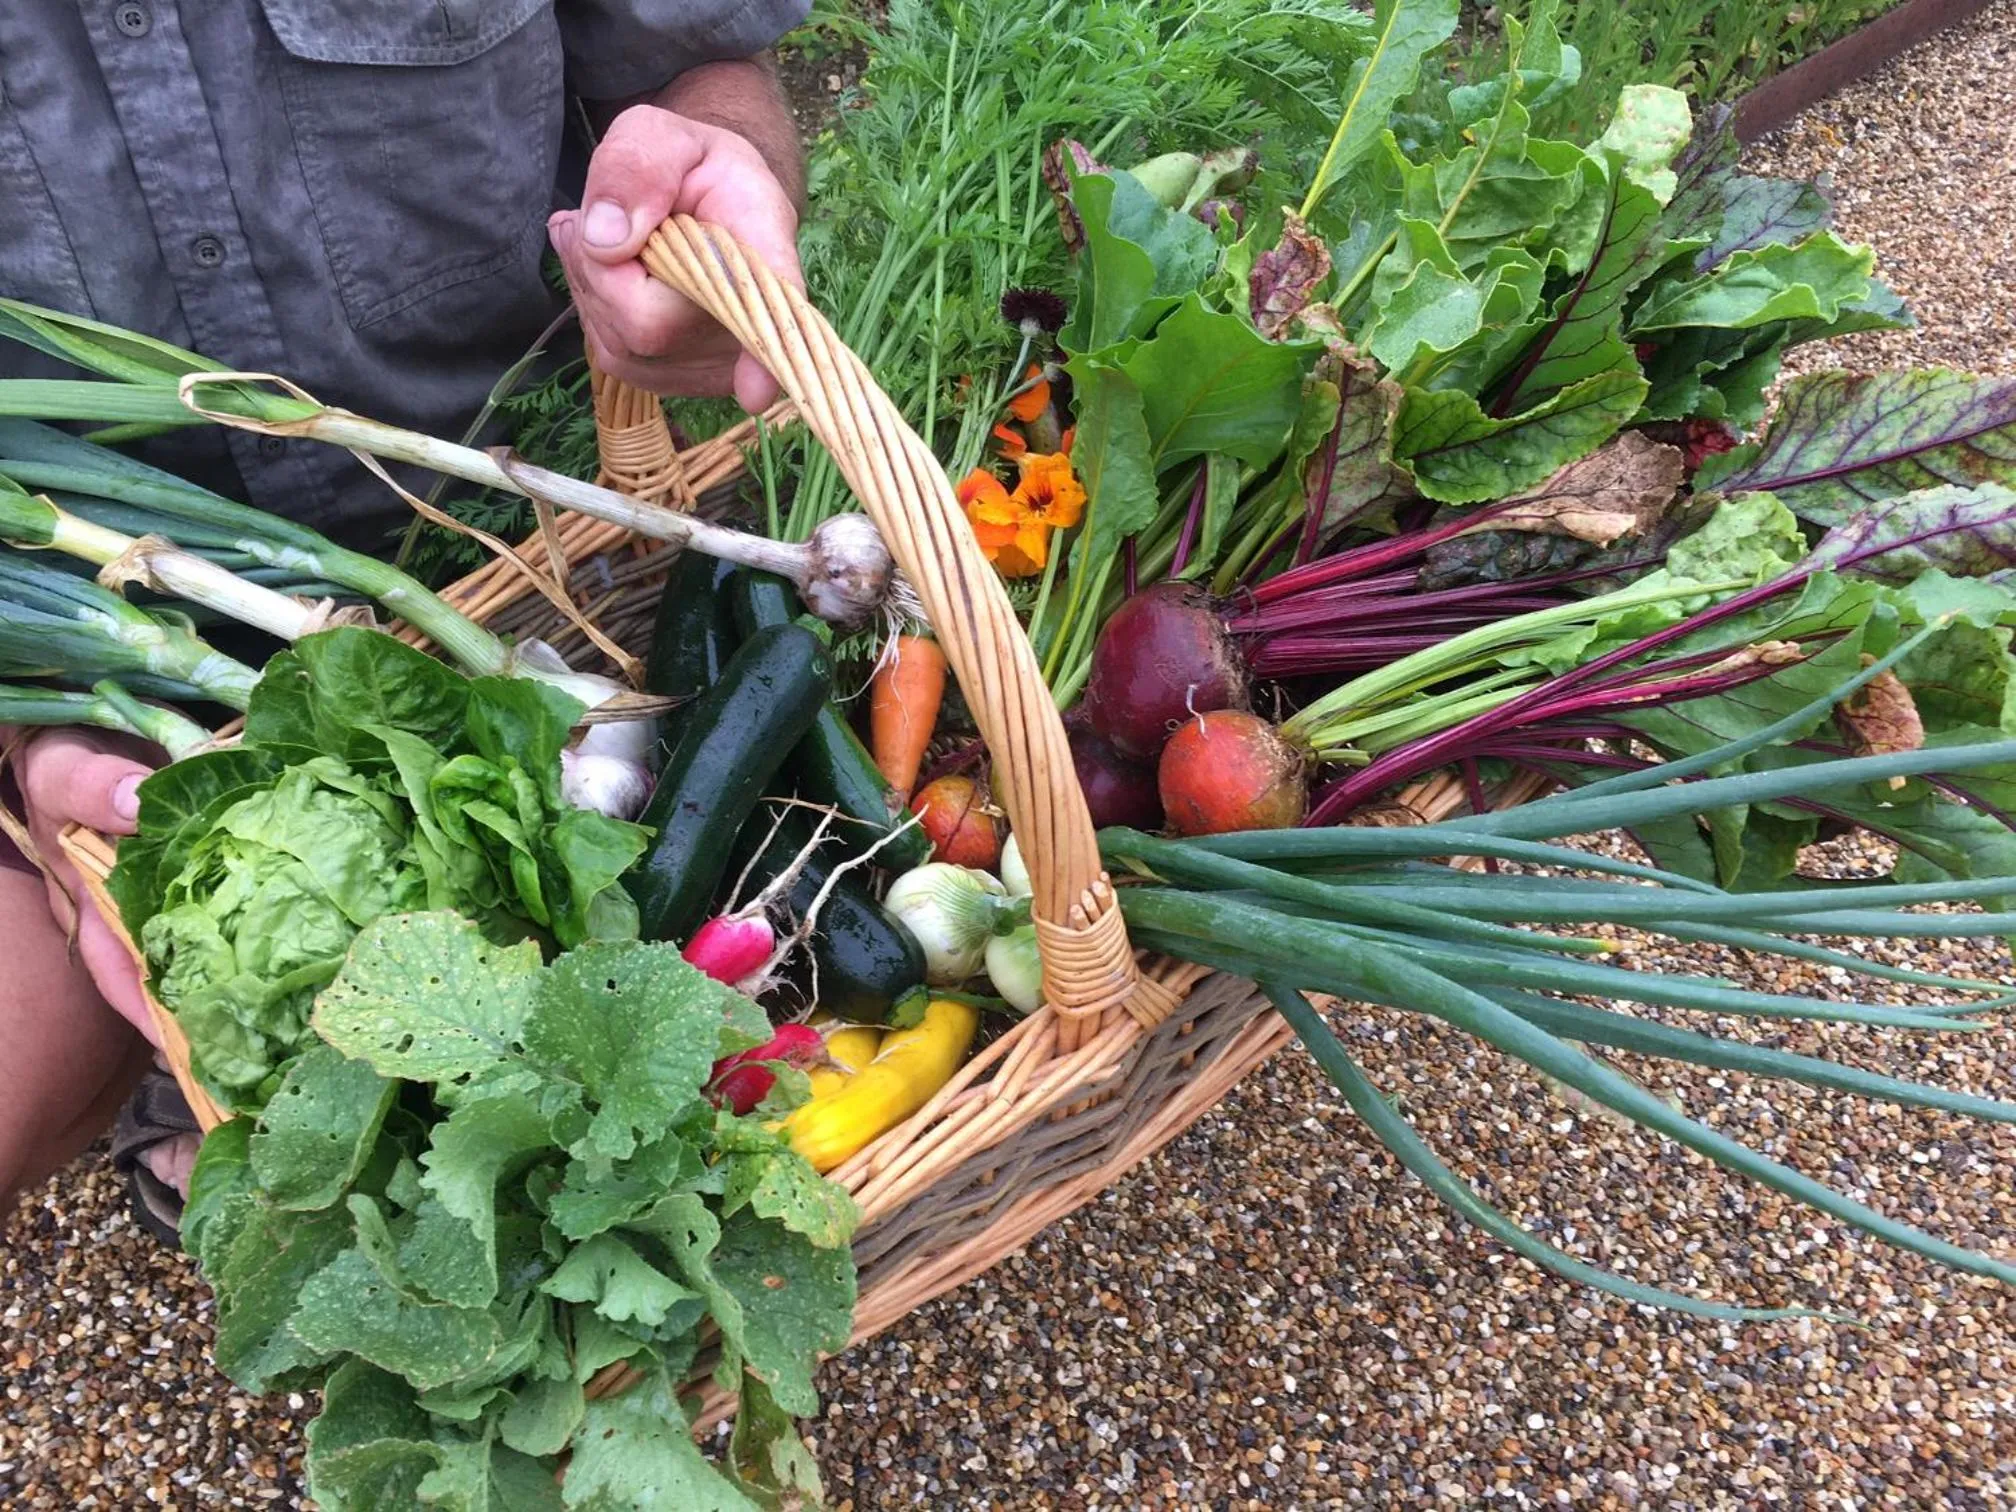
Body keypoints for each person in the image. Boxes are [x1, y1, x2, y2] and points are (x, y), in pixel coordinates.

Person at [0, 0, 810, 1235]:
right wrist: (27, 740)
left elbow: (693, 59)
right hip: (76, 628)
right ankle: (190, 1043)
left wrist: (713, 173)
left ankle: (279, 1072)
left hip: (524, 536)